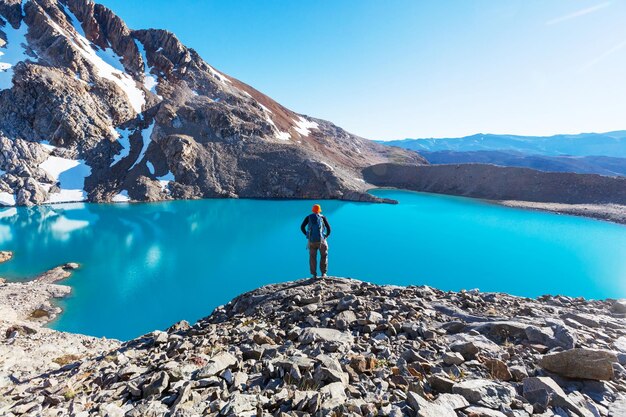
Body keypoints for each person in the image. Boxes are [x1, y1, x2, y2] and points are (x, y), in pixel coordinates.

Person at [301, 204, 331, 278]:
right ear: (319, 210)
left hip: (311, 241)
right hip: (321, 240)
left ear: (313, 210)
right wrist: (326, 236)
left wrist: (307, 235)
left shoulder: (308, 217)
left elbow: (302, 227)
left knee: (312, 257)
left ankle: (314, 274)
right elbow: (329, 229)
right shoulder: (323, 217)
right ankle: (323, 273)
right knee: (324, 256)